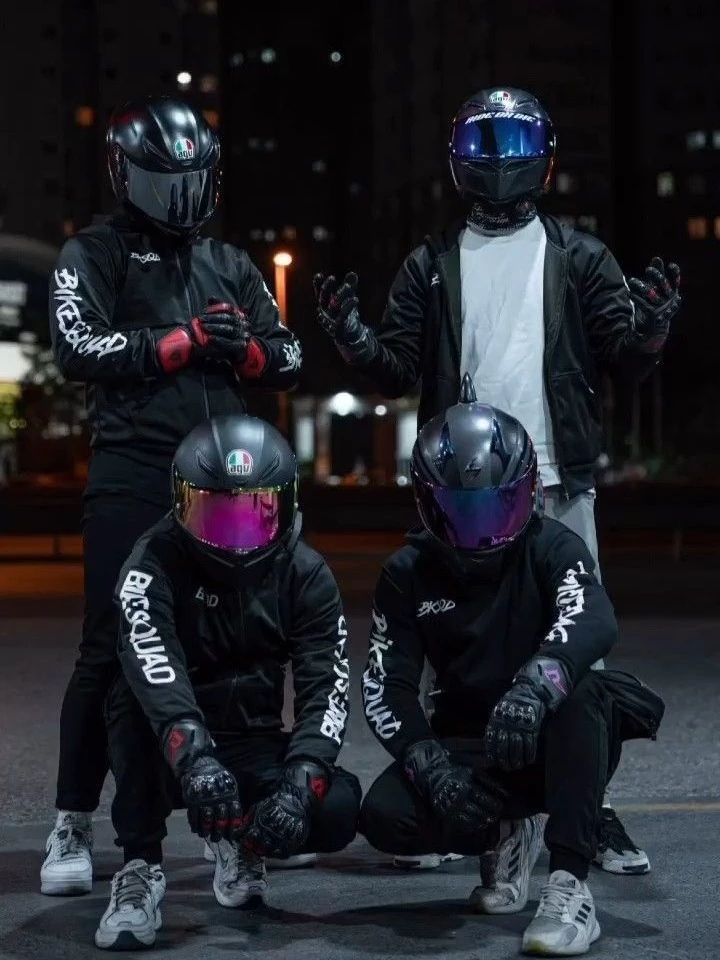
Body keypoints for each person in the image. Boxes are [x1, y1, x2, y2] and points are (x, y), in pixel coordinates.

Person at [314, 86, 681, 873]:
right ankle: (465, 798)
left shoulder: (579, 256)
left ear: (543, 160)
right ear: (458, 159)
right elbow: (397, 366)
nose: (500, 159)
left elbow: (624, 362)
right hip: (462, 487)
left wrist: (651, 327)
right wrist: (353, 340)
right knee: (455, 647)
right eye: (485, 142)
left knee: (576, 649)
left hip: (554, 477)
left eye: (515, 143)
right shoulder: (432, 263)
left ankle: (587, 808)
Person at [41, 96, 303, 897]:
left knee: (226, 648)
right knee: (107, 649)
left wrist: (246, 351)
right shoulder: (94, 251)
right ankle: (72, 820)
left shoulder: (230, 263)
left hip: (226, 483)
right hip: (134, 471)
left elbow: (290, 356)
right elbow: (76, 345)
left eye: (194, 181)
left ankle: (231, 827)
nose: (182, 198)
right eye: (167, 181)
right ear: (128, 176)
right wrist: (181, 343)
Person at [358, 384, 664, 956]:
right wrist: (430, 767)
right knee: (385, 817)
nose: (482, 530)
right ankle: (506, 833)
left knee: (584, 691)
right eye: (461, 511)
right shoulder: (407, 573)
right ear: (426, 503)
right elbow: (384, 685)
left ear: (528, 492)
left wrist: (537, 685)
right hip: (470, 739)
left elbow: (593, 617)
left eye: (497, 506)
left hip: (551, 736)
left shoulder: (552, 545)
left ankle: (569, 883)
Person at [90, 413, 360, 949]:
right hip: (172, 746)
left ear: (285, 504)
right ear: (181, 503)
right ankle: (139, 868)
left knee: (335, 809)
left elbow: (326, 688)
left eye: (254, 514)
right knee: (124, 695)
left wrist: (300, 786)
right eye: (216, 515)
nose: (236, 538)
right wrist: (193, 757)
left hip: (251, 736)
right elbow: (152, 662)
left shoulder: (305, 573)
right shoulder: (152, 562)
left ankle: (243, 841)